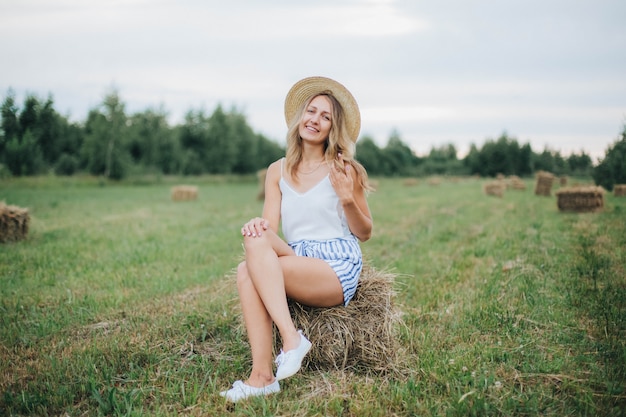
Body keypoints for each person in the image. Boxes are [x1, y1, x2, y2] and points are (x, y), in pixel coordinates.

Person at [220, 76, 373, 402]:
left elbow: (365, 232)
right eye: (311, 111)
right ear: (299, 117)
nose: (314, 120)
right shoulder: (277, 170)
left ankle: (283, 350)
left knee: (247, 272)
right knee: (254, 245)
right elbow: (270, 229)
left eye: (325, 116)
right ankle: (266, 371)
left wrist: (348, 199)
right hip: (296, 254)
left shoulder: (345, 169)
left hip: (334, 263)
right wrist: (256, 225)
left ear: (334, 128)